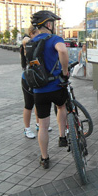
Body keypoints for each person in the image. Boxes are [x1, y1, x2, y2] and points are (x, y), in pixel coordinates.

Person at [28, 10, 70, 169]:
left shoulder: (32, 41)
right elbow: (63, 50)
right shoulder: (54, 39)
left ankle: (44, 158)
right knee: (61, 106)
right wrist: (64, 72)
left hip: (39, 90)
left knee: (43, 126)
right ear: (48, 24)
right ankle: (62, 136)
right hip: (56, 86)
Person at [20, 26, 53, 139]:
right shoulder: (28, 42)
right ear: (31, 33)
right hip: (28, 78)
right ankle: (27, 128)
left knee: (38, 102)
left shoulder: (38, 43)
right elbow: (25, 40)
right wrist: (29, 39)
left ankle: (39, 123)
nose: (38, 36)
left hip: (38, 77)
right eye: (36, 33)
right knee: (29, 105)